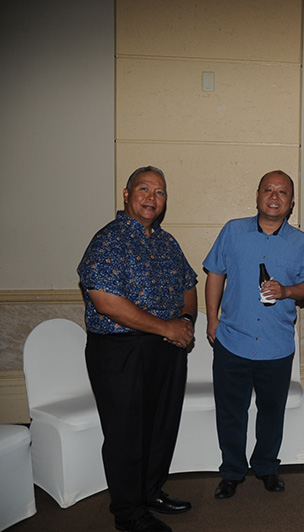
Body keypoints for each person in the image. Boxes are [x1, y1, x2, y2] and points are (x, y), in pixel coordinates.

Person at [78, 166, 197, 532]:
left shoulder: (167, 242)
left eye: (159, 192)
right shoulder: (109, 240)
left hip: (166, 348)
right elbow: (105, 302)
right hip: (121, 351)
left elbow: (188, 285)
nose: (152, 197)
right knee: (126, 433)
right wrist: (167, 326)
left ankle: (150, 492)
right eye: (144, 189)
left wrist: (187, 323)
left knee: (161, 426)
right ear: (127, 194)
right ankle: (129, 514)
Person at [203, 170, 304, 499]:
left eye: (282, 192)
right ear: (257, 195)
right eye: (269, 190)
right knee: (231, 411)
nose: (275, 196)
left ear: (291, 202)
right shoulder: (233, 231)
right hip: (232, 340)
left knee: (271, 411)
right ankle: (232, 471)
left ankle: (266, 467)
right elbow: (215, 274)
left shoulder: (302, 242)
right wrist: (212, 319)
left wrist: (286, 290)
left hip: (276, 344)